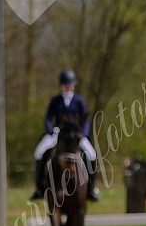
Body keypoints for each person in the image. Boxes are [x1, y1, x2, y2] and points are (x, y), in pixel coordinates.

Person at [30, 69, 100, 202]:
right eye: (66, 85)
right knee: (38, 152)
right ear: (61, 85)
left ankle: (91, 188)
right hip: (58, 133)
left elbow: (86, 120)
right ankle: (39, 187)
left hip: (76, 135)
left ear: (74, 85)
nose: (68, 87)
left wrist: (83, 133)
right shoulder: (56, 101)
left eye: (70, 84)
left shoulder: (79, 100)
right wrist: (50, 130)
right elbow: (48, 118)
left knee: (92, 154)